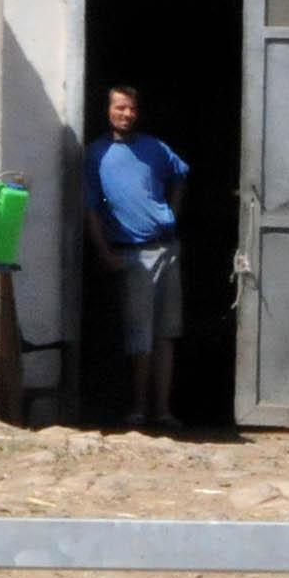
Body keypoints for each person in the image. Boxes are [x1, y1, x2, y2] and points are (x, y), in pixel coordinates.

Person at [84, 84, 191, 433]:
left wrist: (172, 214)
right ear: (108, 110)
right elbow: (91, 210)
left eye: (131, 108)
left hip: (167, 249)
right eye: (120, 108)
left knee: (166, 334)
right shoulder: (96, 154)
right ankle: (138, 409)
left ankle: (162, 411)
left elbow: (181, 174)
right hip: (131, 254)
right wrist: (103, 251)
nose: (126, 114)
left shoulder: (155, 148)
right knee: (139, 335)